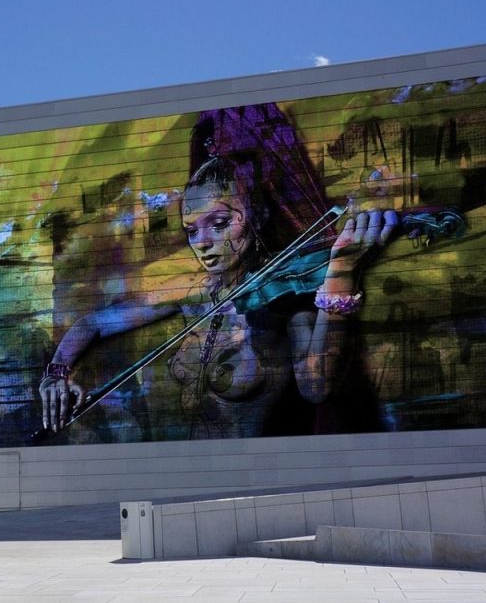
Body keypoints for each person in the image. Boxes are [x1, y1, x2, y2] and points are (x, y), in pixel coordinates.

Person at [38, 104, 399, 440]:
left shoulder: (285, 299)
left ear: (257, 216)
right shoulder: (192, 290)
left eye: (220, 223)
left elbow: (316, 386)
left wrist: (342, 269)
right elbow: (93, 324)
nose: (204, 242)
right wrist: (56, 374)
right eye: (192, 230)